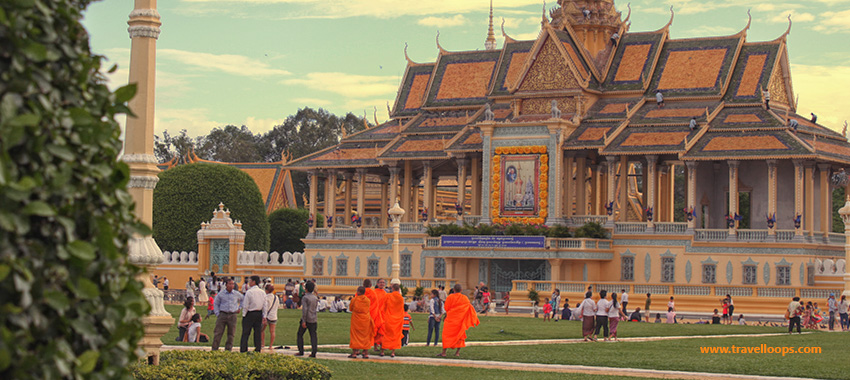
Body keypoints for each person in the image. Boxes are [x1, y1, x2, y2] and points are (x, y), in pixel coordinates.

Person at [438, 284, 480, 357]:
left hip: (450, 320)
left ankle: (444, 352)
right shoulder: (465, 298)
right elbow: (468, 308)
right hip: (460, 320)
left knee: (446, 336)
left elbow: (446, 308)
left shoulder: (450, 297)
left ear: (453, 290)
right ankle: (457, 353)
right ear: (461, 290)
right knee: (460, 335)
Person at [212, 279, 243, 351]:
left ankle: (228, 349)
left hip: (232, 314)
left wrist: (239, 308)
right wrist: (217, 313)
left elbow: (243, 300)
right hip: (223, 314)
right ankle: (215, 348)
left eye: (232, 284)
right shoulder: (221, 294)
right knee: (218, 333)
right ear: (226, 285)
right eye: (230, 284)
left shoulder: (236, 293)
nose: (231, 285)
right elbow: (216, 303)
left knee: (231, 333)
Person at [240, 275, 265, 353]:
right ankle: (258, 348)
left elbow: (246, 305)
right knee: (257, 332)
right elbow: (265, 305)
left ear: (253, 282)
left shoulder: (249, 292)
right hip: (259, 313)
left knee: (246, 332)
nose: (249, 283)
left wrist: (244, 315)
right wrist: (264, 315)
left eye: (250, 281)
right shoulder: (262, 292)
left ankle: (244, 349)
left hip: (250, 313)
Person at [349, 286, 373, 358]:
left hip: (356, 319)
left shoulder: (354, 299)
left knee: (355, 335)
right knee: (365, 336)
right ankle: (365, 353)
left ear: (358, 292)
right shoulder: (367, 300)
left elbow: (350, 309)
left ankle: (354, 353)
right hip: (365, 319)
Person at [295, 281, 319, 357]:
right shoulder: (315, 298)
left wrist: (304, 320)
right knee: (313, 336)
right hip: (314, 319)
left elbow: (305, 310)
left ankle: (301, 351)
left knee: (300, 334)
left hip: (307, 319)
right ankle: (314, 352)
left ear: (306, 289)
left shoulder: (305, 298)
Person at [381, 283, 405, 357]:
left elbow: (384, 306)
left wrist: (385, 314)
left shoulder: (388, 296)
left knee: (386, 334)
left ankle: (382, 351)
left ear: (393, 289)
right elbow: (401, 309)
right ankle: (393, 352)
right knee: (395, 335)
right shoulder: (401, 298)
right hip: (398, 319)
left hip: (389, 318)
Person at [365, 279, 387, 353]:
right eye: (380, 282)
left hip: (383, 314)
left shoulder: (386, 294)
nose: (382, 284)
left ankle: (382, 346)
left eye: (383, 283)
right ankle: (375, 346)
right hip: (375, 313)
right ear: (377, 284)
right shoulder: (374, 292)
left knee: (382, 331)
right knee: (375, 330)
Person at [261, 284, 279, 351]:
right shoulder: (276, 297)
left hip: (267, 316)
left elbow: (265, 308)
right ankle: (270, 345)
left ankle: (263, 343)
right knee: (272, 331)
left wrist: (264, 316)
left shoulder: (266, 297)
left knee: (262, 330)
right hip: (274, 316)